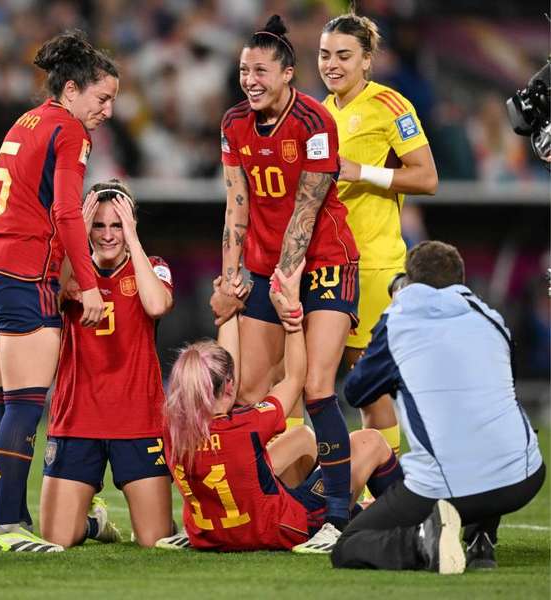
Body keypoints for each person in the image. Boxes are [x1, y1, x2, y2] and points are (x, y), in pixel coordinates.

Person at [0, 30, 118, 553]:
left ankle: (12, 517)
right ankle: (6, 526)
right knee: (26, 405)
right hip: (21, 274)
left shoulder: (26, 120)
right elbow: (67, 211)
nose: (108, 110)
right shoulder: (70, 130)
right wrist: (89, 282)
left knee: (4, 404)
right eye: (102, 98)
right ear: (71, 90)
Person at [216, 15, 360, 553]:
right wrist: (232, 277)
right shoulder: (233, 123)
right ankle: (273, 503)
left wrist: (287, 280)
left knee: (318, 387)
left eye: (259, 70)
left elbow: (308, 206)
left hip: (323, 262)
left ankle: (339, 518)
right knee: (251, 393)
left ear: (287, 74)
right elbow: (236, 203)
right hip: (262, 267)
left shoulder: (315, 120)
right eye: (242, 70)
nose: (249, 79)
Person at [332, 240, 545, 574]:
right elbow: (505, 386)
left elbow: (357, 391)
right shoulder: (491, 318)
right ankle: (481, 540)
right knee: (486, 419)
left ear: (410, 282)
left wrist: (385, 330)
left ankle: (422, 544)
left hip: (450, 487)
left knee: (348, 545)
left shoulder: (397, 321)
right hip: (525, 477)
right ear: (459, 280)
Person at [161, 262, 400, 552]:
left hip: (212, 534)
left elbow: (226, 383)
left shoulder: (173, 429)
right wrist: (293, 317)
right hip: (278, 529)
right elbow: (295, 377)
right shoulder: (246, 426)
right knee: (370, 441)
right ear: (228, 386)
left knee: (302, 438)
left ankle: (361, 513)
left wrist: (229, 313)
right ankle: (408, 520)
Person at [318, 12, 438, 458]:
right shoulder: (323, 111)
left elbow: (426, 177)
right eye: (325, 54)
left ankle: (385, 488)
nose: (332, 64)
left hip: (373, 262)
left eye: (345, 55)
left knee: (370, 384)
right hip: (330, 264)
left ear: (367, 60)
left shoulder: (390, 105)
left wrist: (362, 172)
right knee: (330, 380)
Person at [40, 180, 174, 548]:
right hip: (77, 417)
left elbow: (157, 305)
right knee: (57, 539)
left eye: (117, 224)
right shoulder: (70, 272)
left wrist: (133, 239)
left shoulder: (154, 267)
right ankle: (92, 523)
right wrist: (75, 237)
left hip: (138, 420)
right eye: (99, 225)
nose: (108, 234)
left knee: (154, 540)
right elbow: (49, 298)